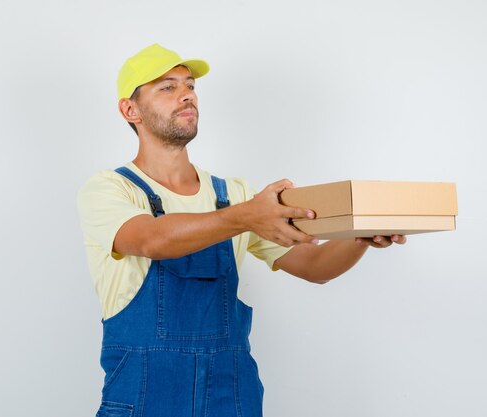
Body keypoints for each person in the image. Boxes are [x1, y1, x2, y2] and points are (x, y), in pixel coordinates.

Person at [77, 43, 406, 417]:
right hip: (145, 396)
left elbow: (315, 266)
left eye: (190, 86)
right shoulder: (110, 189)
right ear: (129, 109)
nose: (186, 95)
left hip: (228, 396)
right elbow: (153, 239)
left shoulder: (233, 195)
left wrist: (359, 237)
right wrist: (247, 215)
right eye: (167, 87)